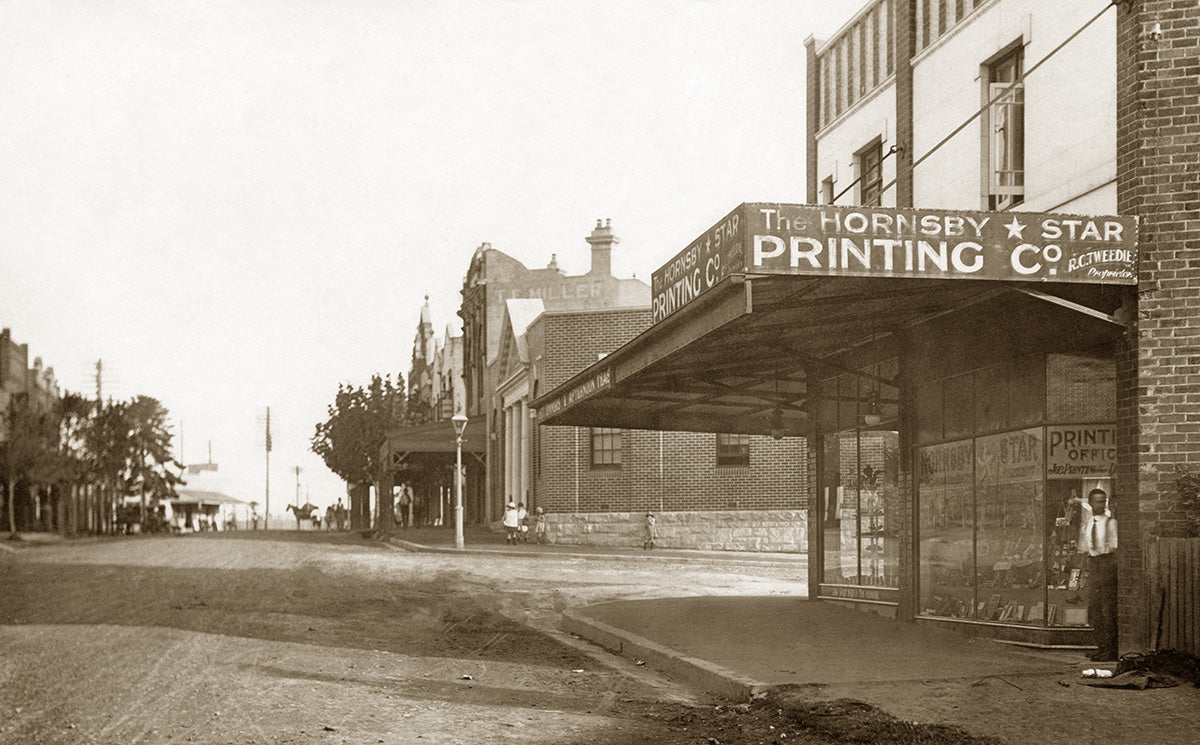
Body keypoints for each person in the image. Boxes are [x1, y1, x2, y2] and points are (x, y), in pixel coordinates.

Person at [1078, 487, 1118, 661]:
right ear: (1090, 503)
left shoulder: (1111, 523)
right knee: (1095, 610)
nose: (1101, 504)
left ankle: (1110, 651)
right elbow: (1087, 549)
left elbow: (1115, 549)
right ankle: (1101, 648)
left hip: (1107, 564)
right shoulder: (1088, 524)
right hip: (1094, 564)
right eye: (1097, 501)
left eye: (1103, 501)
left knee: (1107, 610)